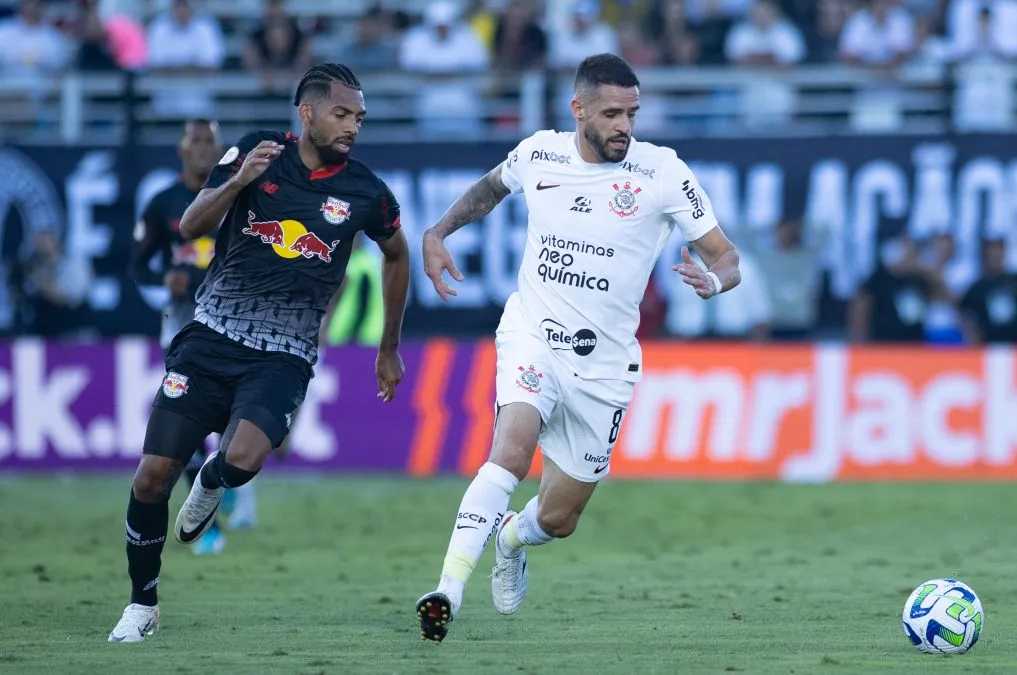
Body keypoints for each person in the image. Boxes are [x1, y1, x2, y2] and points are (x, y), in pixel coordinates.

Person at [415, 53, 741, 642]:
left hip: (605, 367)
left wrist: (714, 282)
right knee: (510, 452)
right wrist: (437, 233)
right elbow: (490, 189)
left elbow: (727, 257)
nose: (625, 125)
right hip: (534, 335)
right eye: (612, 113)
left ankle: (512, 538)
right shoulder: (540, 153)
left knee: (559, 518)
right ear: (579, 109)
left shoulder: (662, 172)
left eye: (632, 114)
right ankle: (447, 591)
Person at [108, 63, 410, 643]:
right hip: (210, 337)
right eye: (341, 114)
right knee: (150, 480)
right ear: (307, 114)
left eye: (359, 118)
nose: (352, 126)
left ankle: (214, 482)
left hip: (285, 354)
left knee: (243, 459)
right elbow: (192, 226)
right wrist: (238, 179)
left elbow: (398, 257)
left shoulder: (366, 191)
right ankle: (141, 605)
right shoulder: (256, 153)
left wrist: (387, 347)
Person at [131, 117, 256, 556]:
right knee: (183, 420)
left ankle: (231, 478)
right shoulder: (164, 202)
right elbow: (138, 263)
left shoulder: (239, 197)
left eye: (211, 143)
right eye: (196, 142)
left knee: (235, 411)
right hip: (183, 324)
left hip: (233, 321)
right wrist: (166, 277)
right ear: (182, 150)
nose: (203, 150)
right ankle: (212, 520)